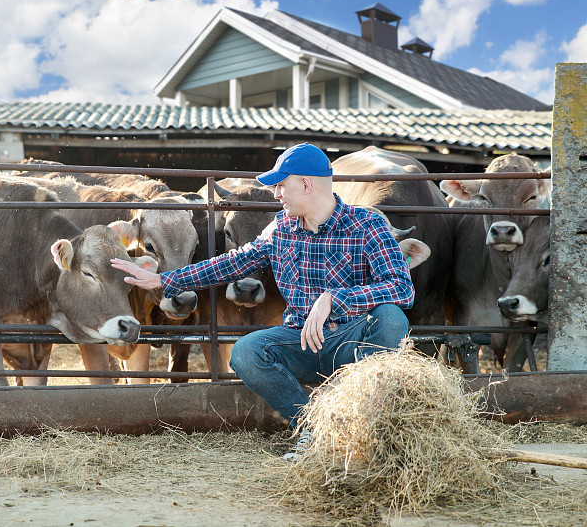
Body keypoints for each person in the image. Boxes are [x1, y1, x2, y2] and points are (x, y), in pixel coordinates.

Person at [110, 142, 414, 459]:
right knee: (246, 352)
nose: (275, 194)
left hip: (352, 341)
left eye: (281, 185)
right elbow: (232, 263)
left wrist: (334, 299)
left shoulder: (368, 225)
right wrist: (164, 280)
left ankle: (370, 423)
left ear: (306, 184)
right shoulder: (281, 228)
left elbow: (402, 288)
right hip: (300, 342)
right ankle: (312, 426)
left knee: (392, 318)